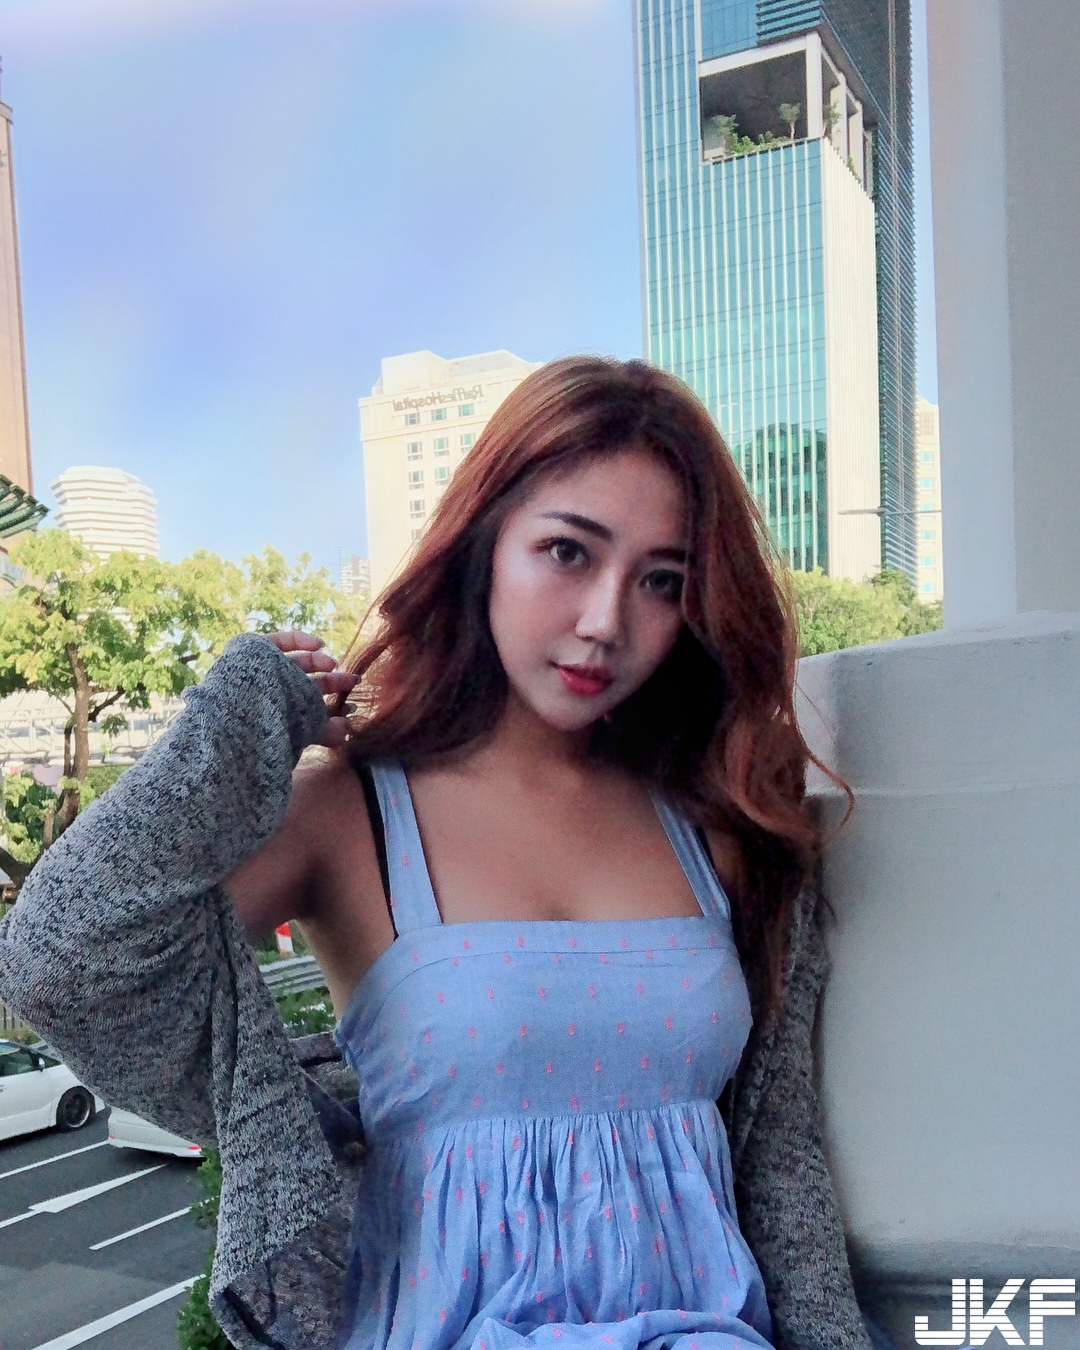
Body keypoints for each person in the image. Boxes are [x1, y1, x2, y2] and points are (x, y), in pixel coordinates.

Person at [0, 357, 875, 1350]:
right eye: (568, 552)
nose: (605, 622)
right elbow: (59, 963)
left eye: (661, 581)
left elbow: (778, 1167)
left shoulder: (719, 816)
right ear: (483, 545)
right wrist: (234, 724)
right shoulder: (349, 813)